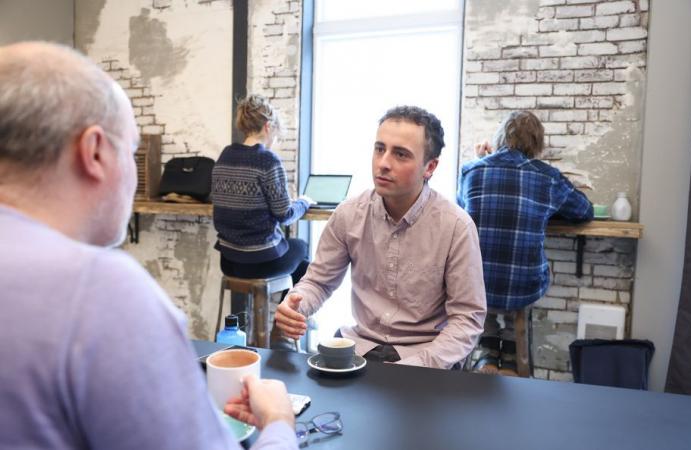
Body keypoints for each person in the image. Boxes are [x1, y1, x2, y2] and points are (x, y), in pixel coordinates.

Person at [0, 41, 296, 450]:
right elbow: (282, 212)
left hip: (229, 253)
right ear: (95, 153)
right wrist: (279, 423)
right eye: (133, 149)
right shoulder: (100, 291)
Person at [274, 106, 487, 370]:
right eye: (379, 149)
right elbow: (318, 282)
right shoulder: (349, 214)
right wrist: (297, 304)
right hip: (360, 345)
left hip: (426, 354)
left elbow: (467, 319)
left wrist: (419, 364)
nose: (383, 163)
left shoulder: (456, 227)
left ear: (429, 167)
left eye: (400, 154)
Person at [457, 110, 593, 376]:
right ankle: (510, 348)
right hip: (523, 288)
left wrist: (481, 160)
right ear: (537, 143)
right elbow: (584, 211)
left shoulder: (471, 171)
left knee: (482, 283)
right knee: (520, 283)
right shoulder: (547, 177)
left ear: (499, 138)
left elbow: (463, 209)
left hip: (476, 286)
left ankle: (487, 348)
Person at [212, 94, 313, 285]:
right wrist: (304, 202)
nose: (274, 139)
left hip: (228, 261)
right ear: (268, 126)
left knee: (301, 266)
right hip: (259, 262)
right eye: (275, 133)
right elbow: (285, 214)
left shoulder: (225, 155)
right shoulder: (268, 160)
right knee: (301, 248)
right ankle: (283, 315)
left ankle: (281, 315)